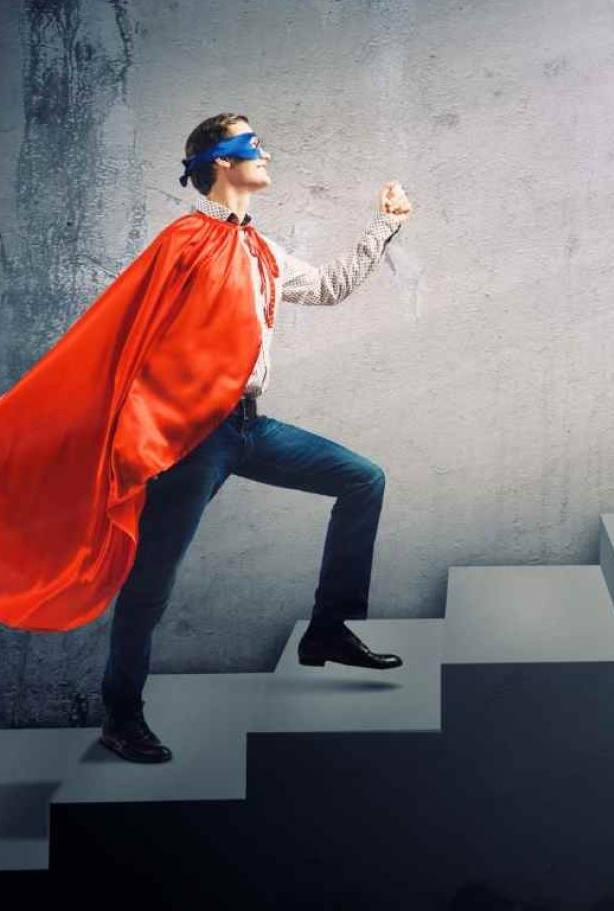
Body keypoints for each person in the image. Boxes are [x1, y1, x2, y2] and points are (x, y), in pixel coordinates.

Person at [98, 112, 412, 763]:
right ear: (220, 161)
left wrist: (385, 227)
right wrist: (148, 429)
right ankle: (121, 716)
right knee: (151, 583)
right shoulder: (183, 242)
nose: (265, 151)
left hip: (249, 426)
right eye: (252, 143)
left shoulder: (259, 249)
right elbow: (132, 339)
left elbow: (327, 287)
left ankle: (328, 628)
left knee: (363, 479)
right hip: (193, 437)